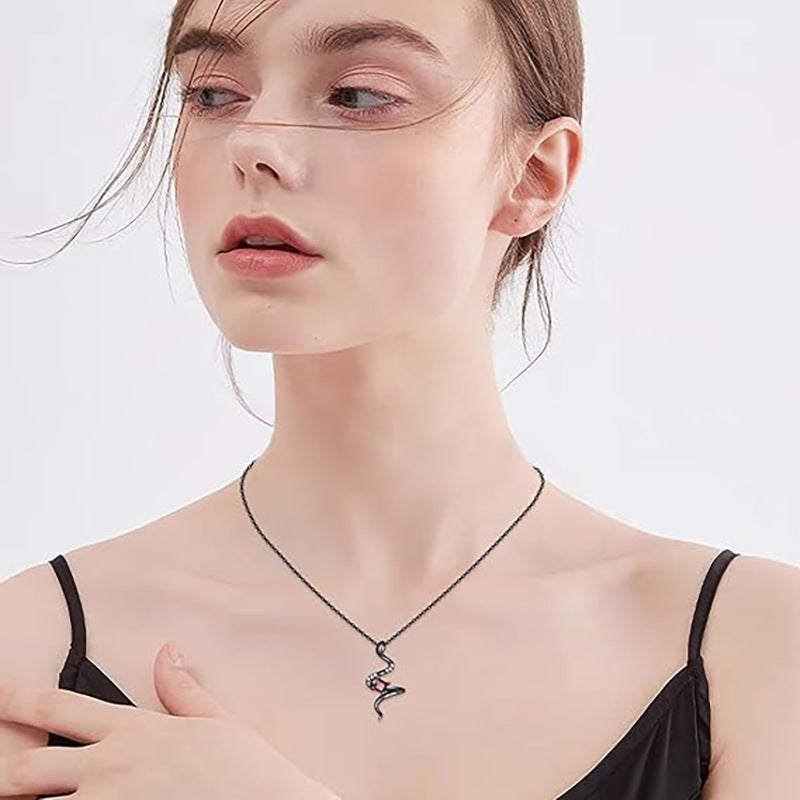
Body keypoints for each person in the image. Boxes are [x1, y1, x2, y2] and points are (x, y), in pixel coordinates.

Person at [1, 0, 798, 798]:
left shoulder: (758, 649)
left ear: (533, 174)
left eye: (358, 96)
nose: (252, 145)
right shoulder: (30, 648)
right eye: (214, 94)